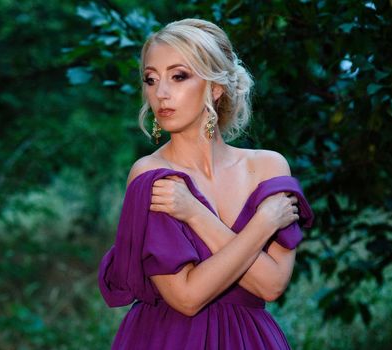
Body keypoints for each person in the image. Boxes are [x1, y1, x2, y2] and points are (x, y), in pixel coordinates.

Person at [98, 18, 314, 349]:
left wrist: (195, 214)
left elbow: (271, 285)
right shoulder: (150, 174)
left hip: (251, 340)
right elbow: (186, 297)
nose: (161, 93)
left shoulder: (269, 166)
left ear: (215, 88)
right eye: (151, 79)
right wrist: (263, 223)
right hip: (168, 339)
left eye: (179, 76)